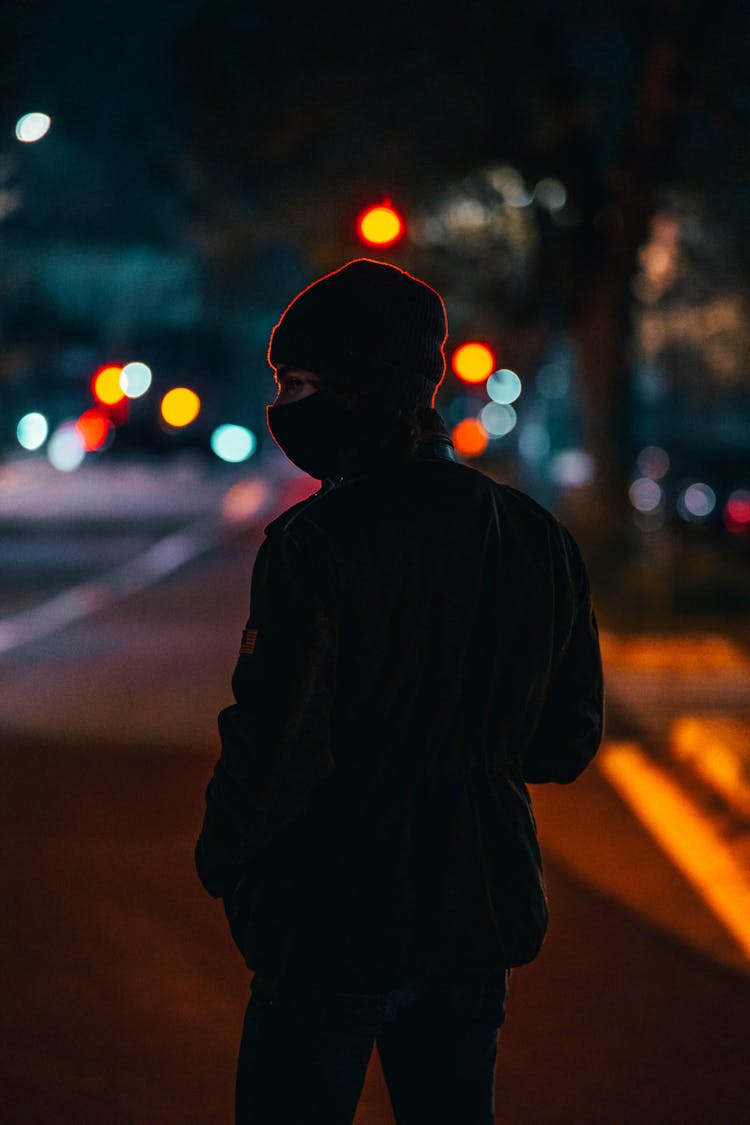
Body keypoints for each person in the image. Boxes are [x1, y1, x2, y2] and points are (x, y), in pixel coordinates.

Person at [195, 258, 604, 1124]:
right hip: (477, 909)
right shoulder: (534, 537)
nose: (285, 406)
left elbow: (276, 740)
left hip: (334, 913)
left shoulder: (314, 544)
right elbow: (564, 742)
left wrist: (227, 859)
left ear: (360, 389)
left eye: (301, 382)